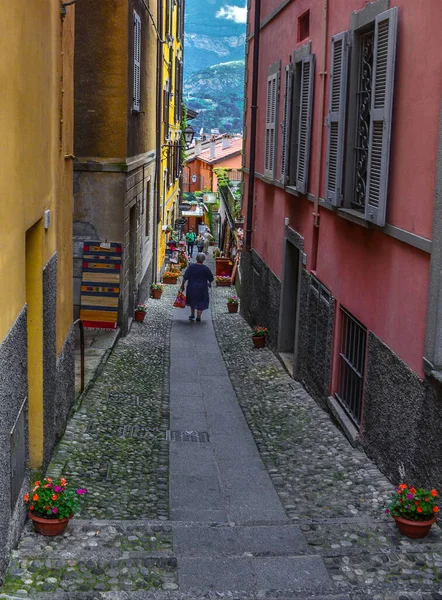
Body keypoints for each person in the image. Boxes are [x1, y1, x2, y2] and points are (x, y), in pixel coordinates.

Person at [181, 253, 214, 322]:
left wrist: (182, 285)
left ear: (196, 258)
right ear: (204, 260)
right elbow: (211, 278)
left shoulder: (191, 267)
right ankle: (198, 316)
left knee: (192, 300)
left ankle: (192, 314)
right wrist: (209, 283)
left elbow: (185, 277)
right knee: (201, 301)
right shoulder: (205, 268)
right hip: (202, 288)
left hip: (191, 287)